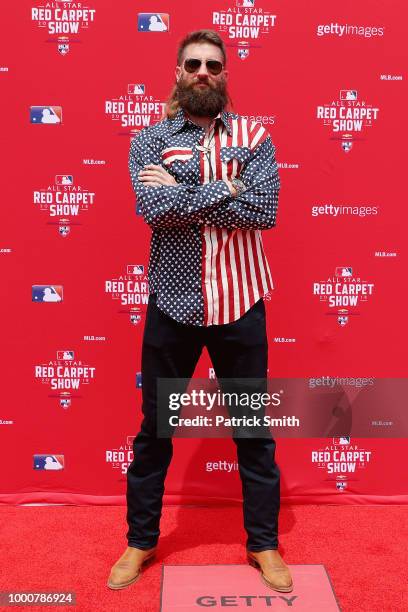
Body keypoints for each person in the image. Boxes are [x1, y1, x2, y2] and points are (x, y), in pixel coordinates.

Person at [107, 29, 293, 593]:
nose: (204, 72)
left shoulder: (255, 136)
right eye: (194, 63)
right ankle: (140, 541)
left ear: (226, 74)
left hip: (241, 303)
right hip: (174, 305)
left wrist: (192, 191)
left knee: (253, 432)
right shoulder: (150, 139)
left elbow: (265, 209)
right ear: (178, 72)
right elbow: (155, 209)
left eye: (214, 64)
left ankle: (263, 543)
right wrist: (227, 189)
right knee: (155, 432)